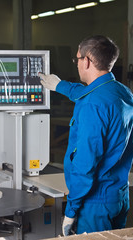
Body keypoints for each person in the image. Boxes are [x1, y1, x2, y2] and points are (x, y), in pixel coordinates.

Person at [39, 35, 133, 236]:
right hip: (118, 195)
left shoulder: (92, 105)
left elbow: (85, 163)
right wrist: (60, 86)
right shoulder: (122, 92)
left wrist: (71, 210)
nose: (77, 64)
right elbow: (90, 93)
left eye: (77, 59)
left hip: (94, 203)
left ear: (87, 60)